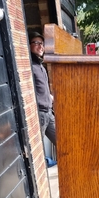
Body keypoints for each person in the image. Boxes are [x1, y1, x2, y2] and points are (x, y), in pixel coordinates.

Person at [28, 31, 57, 167]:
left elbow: (42, 89)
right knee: (36, 150)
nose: (40, 46)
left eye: (42, 43)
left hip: (49, 113)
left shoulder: (41, 67)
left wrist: (50, 97)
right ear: (29, 45)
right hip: (39, 114)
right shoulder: (29, 66)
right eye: (36, 43)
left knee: (63, 143)